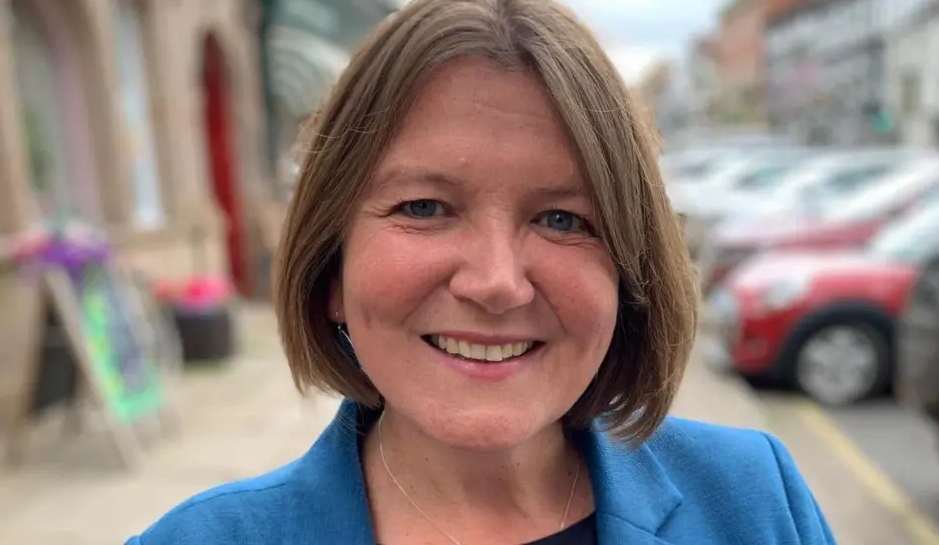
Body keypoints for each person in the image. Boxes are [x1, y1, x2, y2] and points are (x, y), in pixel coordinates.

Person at [128, 0, 836, 543]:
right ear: (330, 271)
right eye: (425, 206)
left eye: (562, 219)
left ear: (627, 271)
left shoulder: (752, 502)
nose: (496, 281)